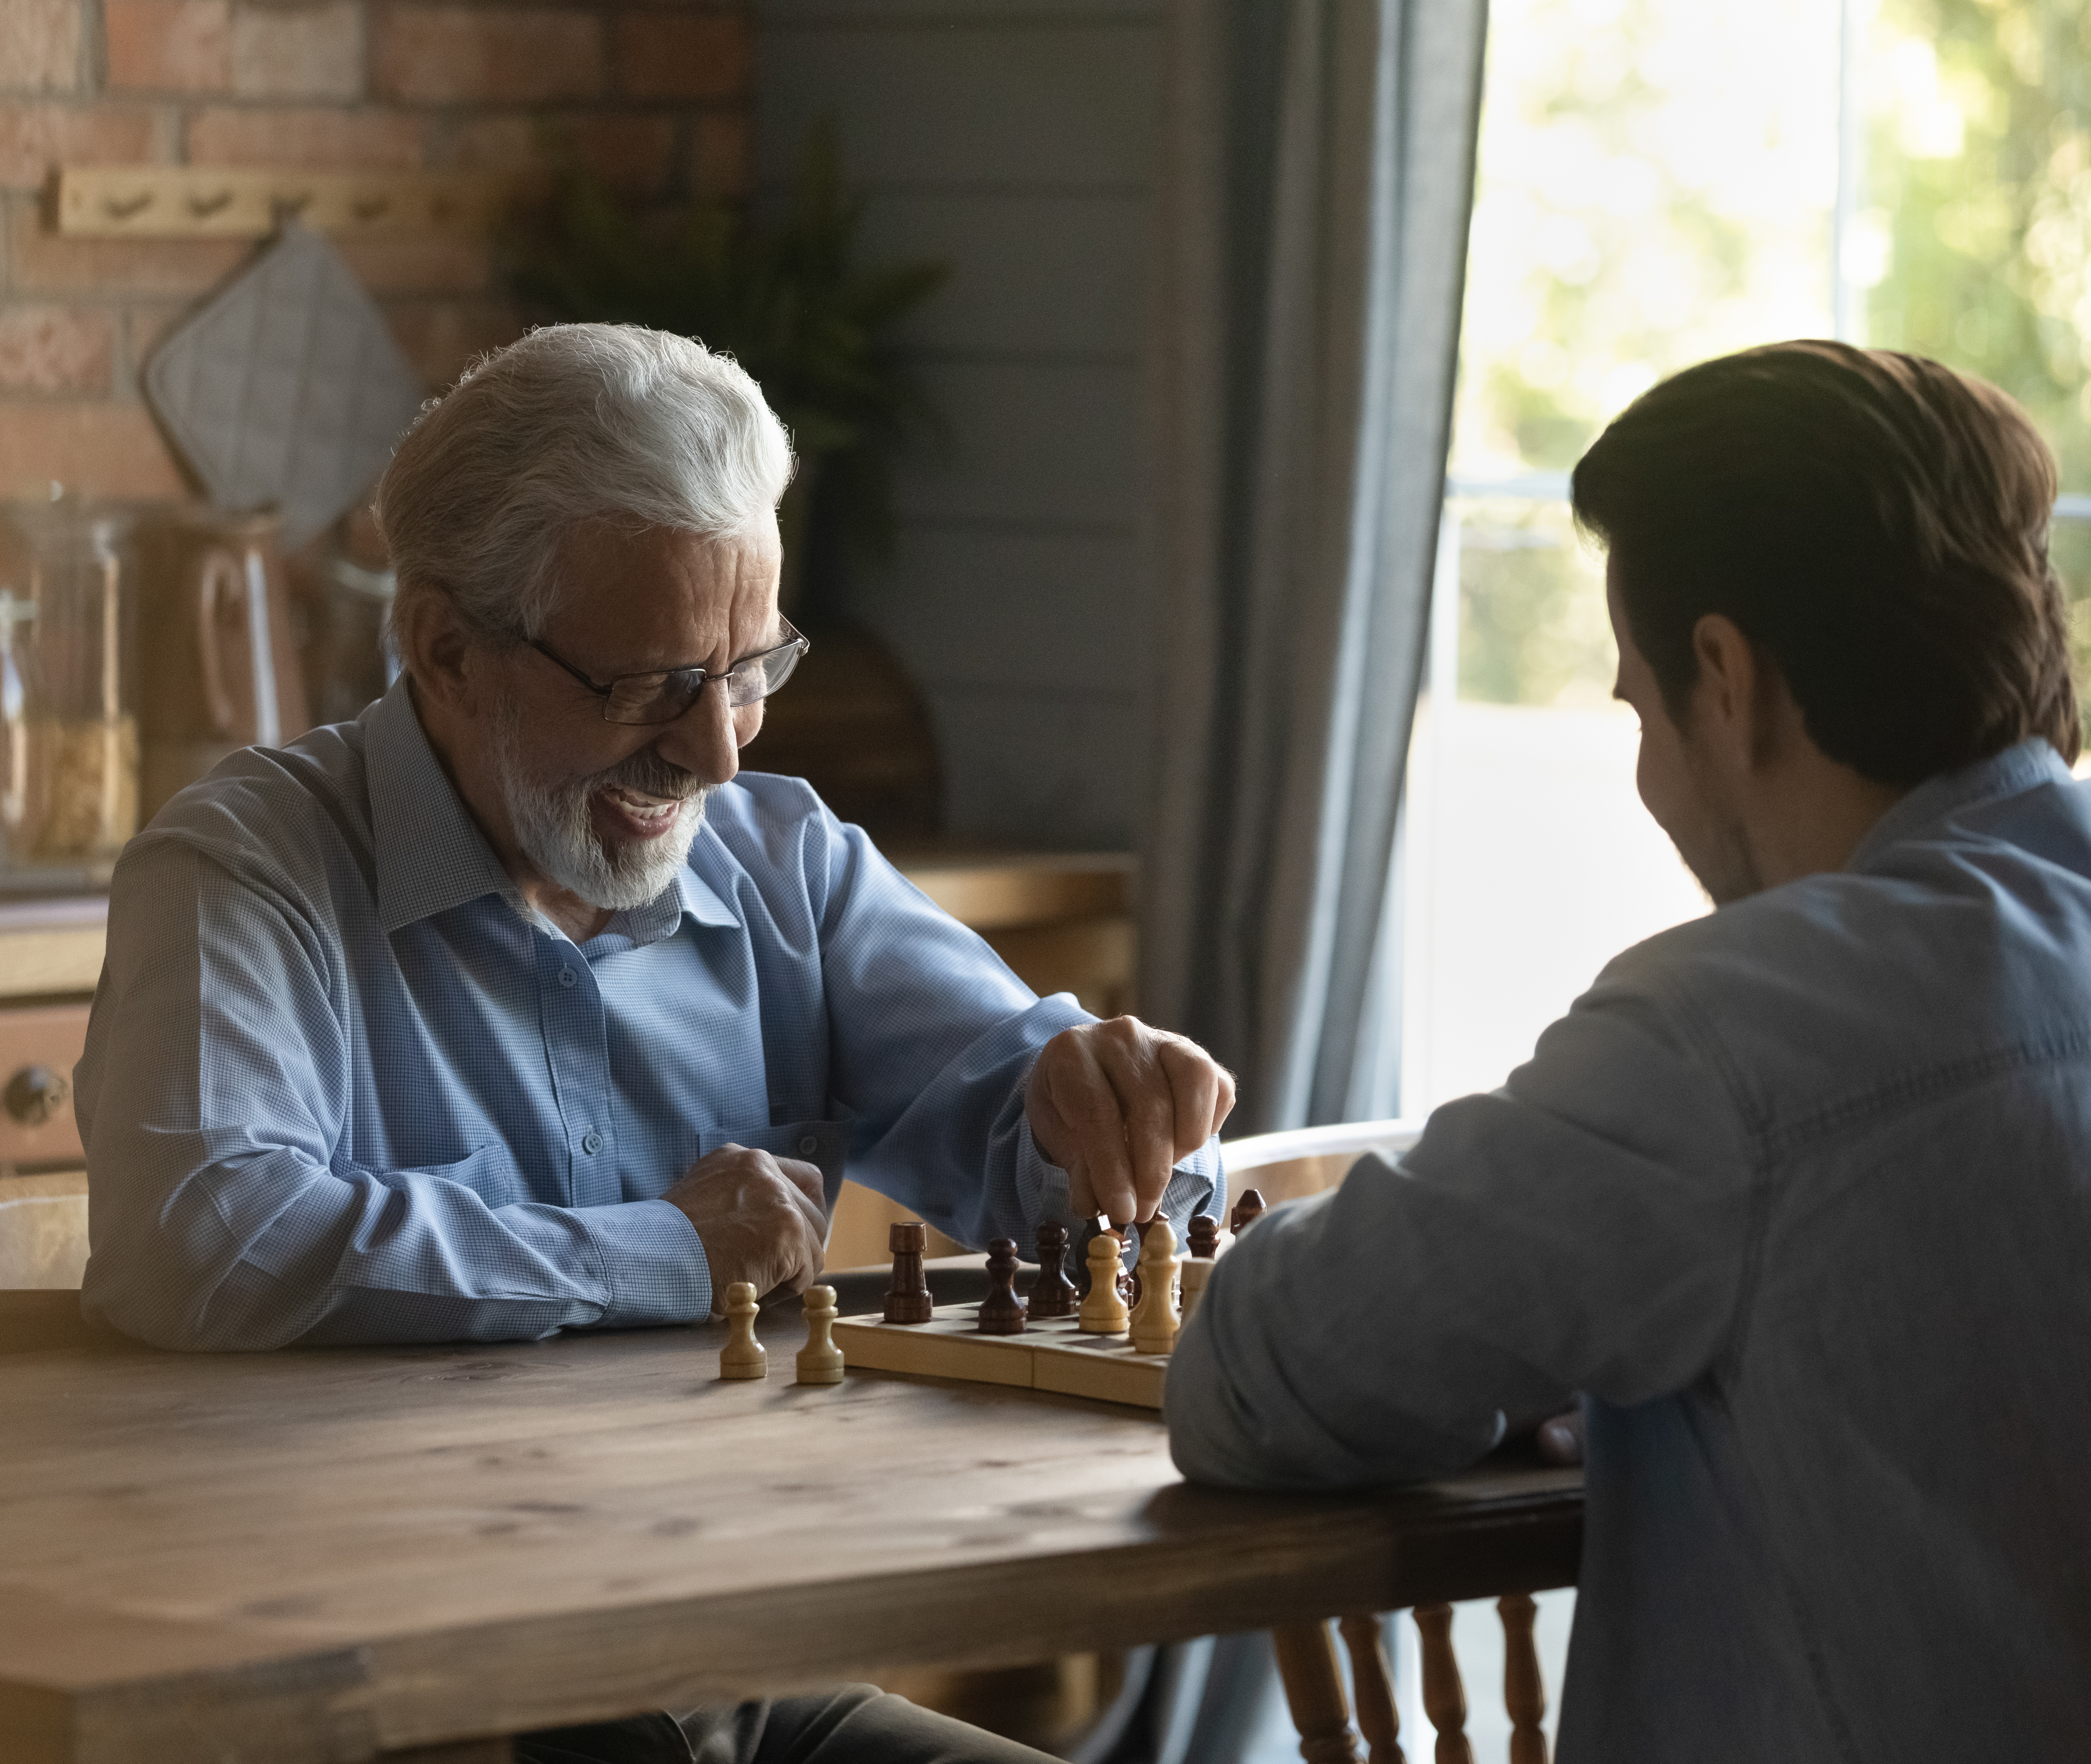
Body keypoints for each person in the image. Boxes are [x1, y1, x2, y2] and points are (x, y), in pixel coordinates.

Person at [77, 323, 1236, 1764]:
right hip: (396, 1712)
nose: (718, 754)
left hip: (741, 1687)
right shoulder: (248, 865)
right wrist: (665, 1249)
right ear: (444, 647)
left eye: (747, 670)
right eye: (647, 686)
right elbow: (203, 1235)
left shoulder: (783, 860)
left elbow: (1029, 1130)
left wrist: (1105, 1119)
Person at [1166, 341, 2091, 1763]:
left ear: (1726, 676)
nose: (1648, 764)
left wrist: (1545, 1352)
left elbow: (1252, 1376)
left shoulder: (1727, 1036)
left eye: (1639, 705)